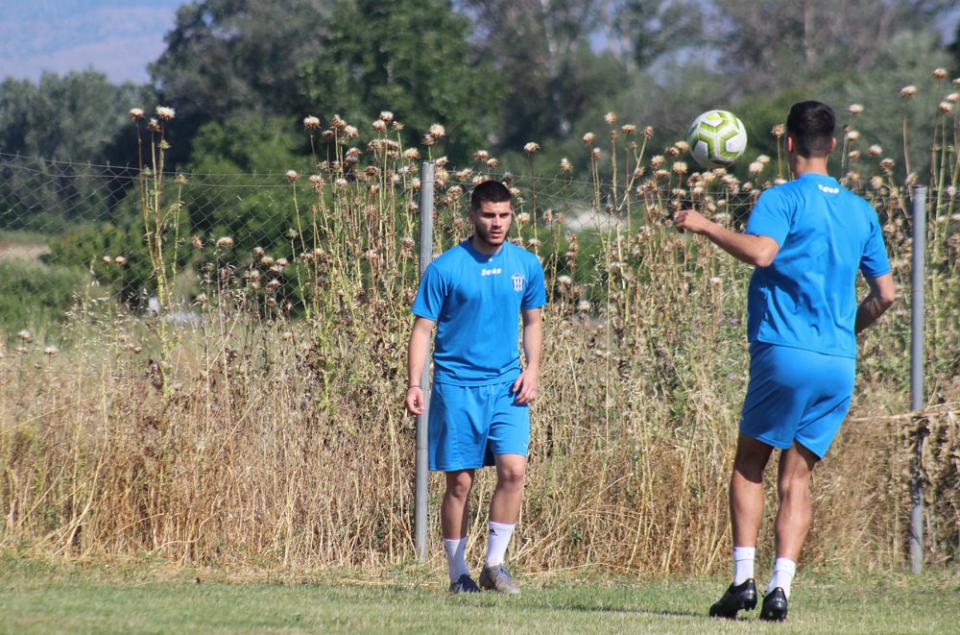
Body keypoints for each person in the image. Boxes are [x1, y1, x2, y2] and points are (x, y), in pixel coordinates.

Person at [675, 101, 896, 621]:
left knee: (750, 463)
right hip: (838, 362)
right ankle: (781, 589)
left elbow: (762, 253)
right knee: (796, 479)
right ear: (833, 145)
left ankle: (742, 582)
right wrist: (843, 331)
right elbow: (886, 295)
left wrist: (705, 225)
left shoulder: (781, 198)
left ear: (789, 143)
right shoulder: (861, 210)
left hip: (784, 352)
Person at [405, 180, 545, 594]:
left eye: (504, 215)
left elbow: (533, 322)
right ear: (472, 216)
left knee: (514, 470)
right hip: (457, 387)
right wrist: (415, 383)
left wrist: (533, 369)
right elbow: (422, 329)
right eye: (488, 215)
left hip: (507, 386)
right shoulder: (446, 268)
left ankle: (494, 566)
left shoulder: (526, 265)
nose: (497, 223)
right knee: (460, 483)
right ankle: (457, 574)